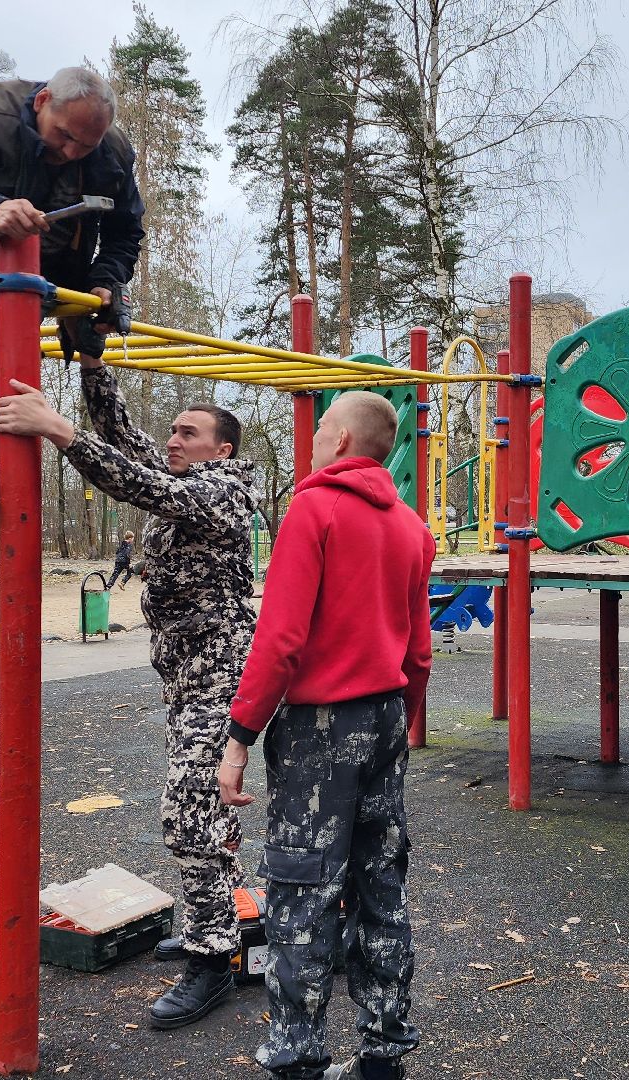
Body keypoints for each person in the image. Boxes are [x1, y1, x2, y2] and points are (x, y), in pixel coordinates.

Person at [0, 341, 258, 1030]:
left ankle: (212, 958)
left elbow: (145, 485)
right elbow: (124, 439)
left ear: (221, 450)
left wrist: (56, 430)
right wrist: (90, 364)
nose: (171, 439)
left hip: (221, 680)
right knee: (203, 814)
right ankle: (214, 922)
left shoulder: (222, 490)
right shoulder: (187, 472)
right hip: (187, 679)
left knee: (188, 813)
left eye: (188, 433)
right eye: (172, 430)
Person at [218, 392, 434, 1080]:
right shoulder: (411, 528)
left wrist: (240, 735)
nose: (310, 442)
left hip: (320, 729)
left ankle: (298, 1059)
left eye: (319, 431)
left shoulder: (315, 508)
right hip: (387, 716)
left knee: (301, 894)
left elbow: (280, 638)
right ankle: (383, 1055)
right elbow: (419, 653)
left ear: (341, 441)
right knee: (380, 887)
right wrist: (401, 725)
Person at [0, 65, 145, 517]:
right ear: (41, 103)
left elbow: (125, 229)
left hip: (54, 277)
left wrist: (105, 277)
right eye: (64, 136)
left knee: (95, 331)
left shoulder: (110, 153)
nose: (71, 152)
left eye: (84, 145)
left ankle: (118, 458)